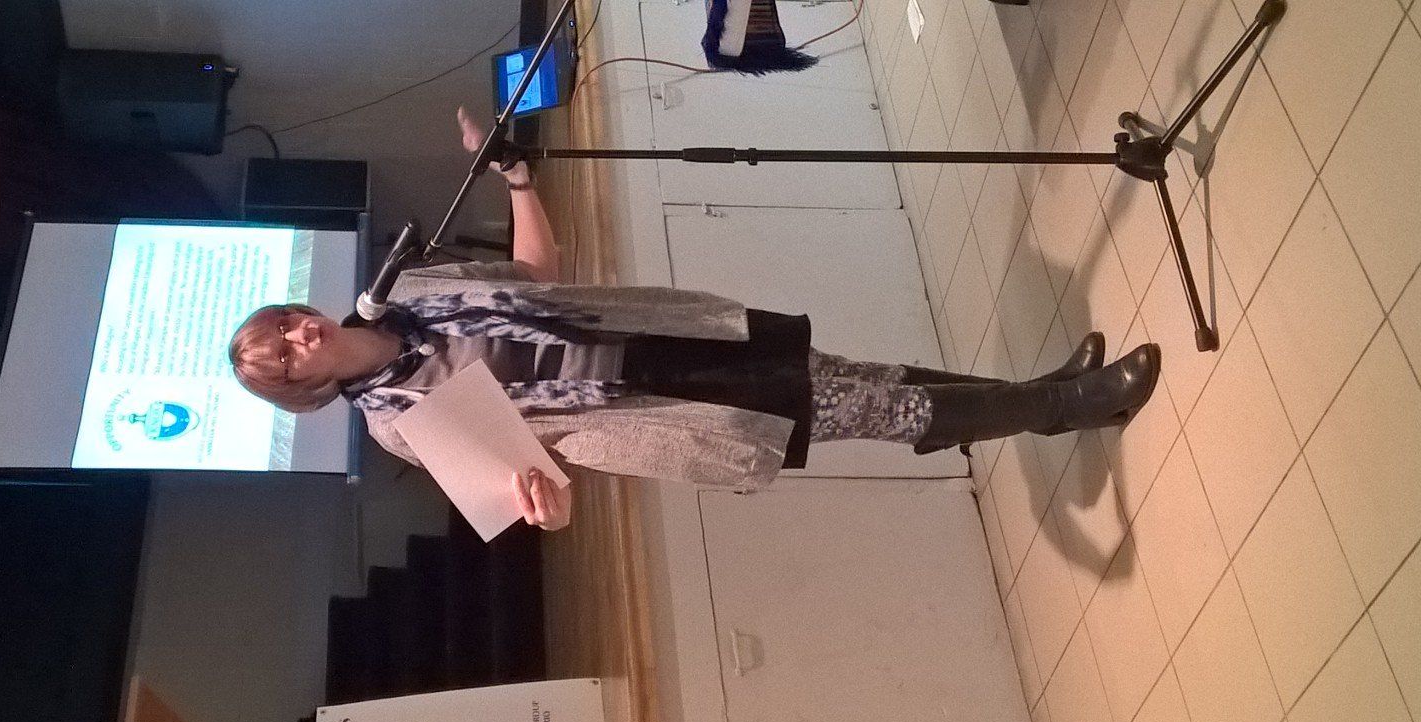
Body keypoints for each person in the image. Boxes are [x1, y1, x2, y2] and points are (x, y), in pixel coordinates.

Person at [228, 107, 1160, 531]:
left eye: (288, 324)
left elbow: (538, 276)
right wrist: (551, 511)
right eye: (285, 358)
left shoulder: (414, 289)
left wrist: (516, 175)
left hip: (674, 335)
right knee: (876, 411)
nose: (300, 338)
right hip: (660, 409)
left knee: (869, 380)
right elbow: (526, 478)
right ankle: (1065, 405)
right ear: (302, 389)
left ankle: (1041, 394)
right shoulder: (395, 424)